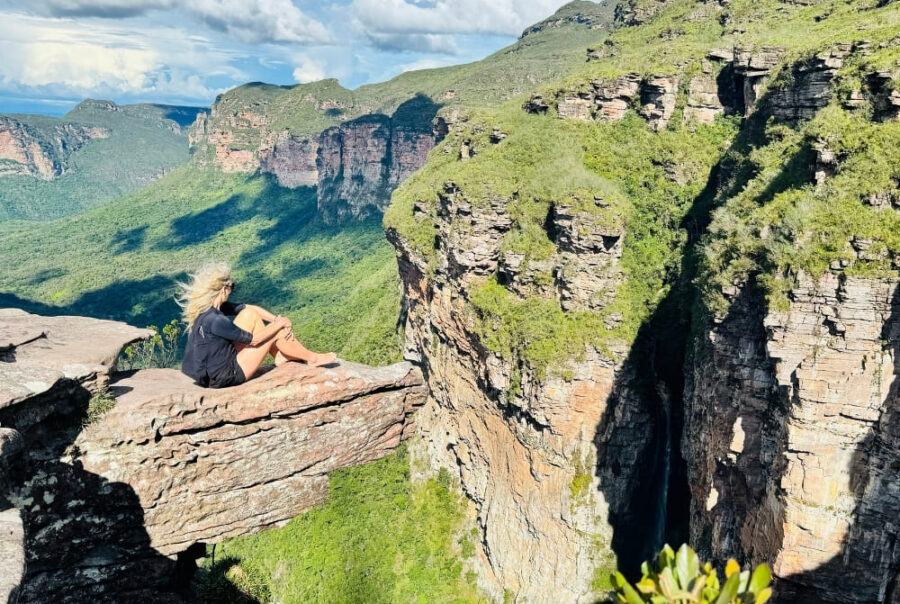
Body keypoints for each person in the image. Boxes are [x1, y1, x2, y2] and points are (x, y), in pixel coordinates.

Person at [178, 262, 336, 388]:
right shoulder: (217, 320)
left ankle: (281, 355)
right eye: (231, 287)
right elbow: (254, 340)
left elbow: (249, 308)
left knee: (250, 315)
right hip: (226, 375)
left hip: (212, 372)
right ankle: (312, 358)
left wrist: (275, 319)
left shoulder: (209, 311)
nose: (232, 290)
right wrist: (279, 324)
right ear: (223, 290)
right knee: (276, 331)